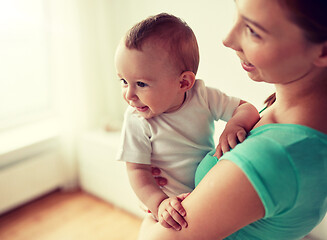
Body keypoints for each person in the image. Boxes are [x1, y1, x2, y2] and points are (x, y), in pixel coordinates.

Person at [138, 0, 327, 239]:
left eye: (253, 31)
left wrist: (153, 209)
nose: (227, 39)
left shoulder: (272, 156)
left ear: (322, 50)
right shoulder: (291, 118)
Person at [115, 13, 260, 230]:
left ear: (183, 82)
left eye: (141, 84)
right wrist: (159, 203)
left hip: (208, 193)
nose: (129, 94)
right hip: (171, 205)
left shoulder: (202, 96)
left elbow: (246, 108)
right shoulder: (136, 119)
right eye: (124, 81)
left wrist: (235, 125)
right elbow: (137, 171)